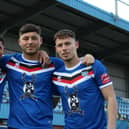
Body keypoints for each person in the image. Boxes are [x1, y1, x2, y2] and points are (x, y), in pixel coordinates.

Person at [0, 24, 95, 129]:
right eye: (26, 39)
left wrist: (87, 57)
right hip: (15, 126)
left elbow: (74, 63)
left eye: (34, 38)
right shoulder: (9, 61)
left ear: (40, 40)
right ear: (19, 42)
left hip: (43, 126)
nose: (30, 42)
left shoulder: (54, 64)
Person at [52, 29, 117, 129]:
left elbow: (110, 97)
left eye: (68, 43)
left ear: (76, 45)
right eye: (60, 45)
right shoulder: (56, 75)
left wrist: (111, 127)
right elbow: (52, 101)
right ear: (56, 49)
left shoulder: (93, 66)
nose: (64, 48)